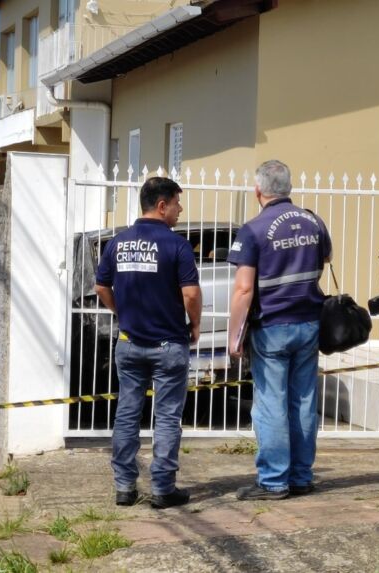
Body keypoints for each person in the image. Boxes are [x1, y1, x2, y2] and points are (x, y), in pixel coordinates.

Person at [227, 160, 332, 500]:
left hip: (272, 327)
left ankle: (273, 480)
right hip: (309, 323)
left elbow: (244, 290)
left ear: (258, 190)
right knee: (303, 401)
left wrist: (234, 337)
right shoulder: (314, 222)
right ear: (289, 188)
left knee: (271, 403)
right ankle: (301, 476)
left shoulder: (254, 229)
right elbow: (324, 261)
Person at [95, 177, 202, 509]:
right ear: (161, 205)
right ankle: (162, 488)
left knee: (127, 414)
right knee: (167, 417)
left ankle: (125, 487)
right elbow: (191, 293)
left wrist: (121, 313)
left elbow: (101, 288)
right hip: (168, 344)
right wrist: (195, 323)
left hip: (128, 342)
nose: (180, 210)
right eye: (176, 203)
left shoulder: (118, 242)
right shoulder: (177, 246)